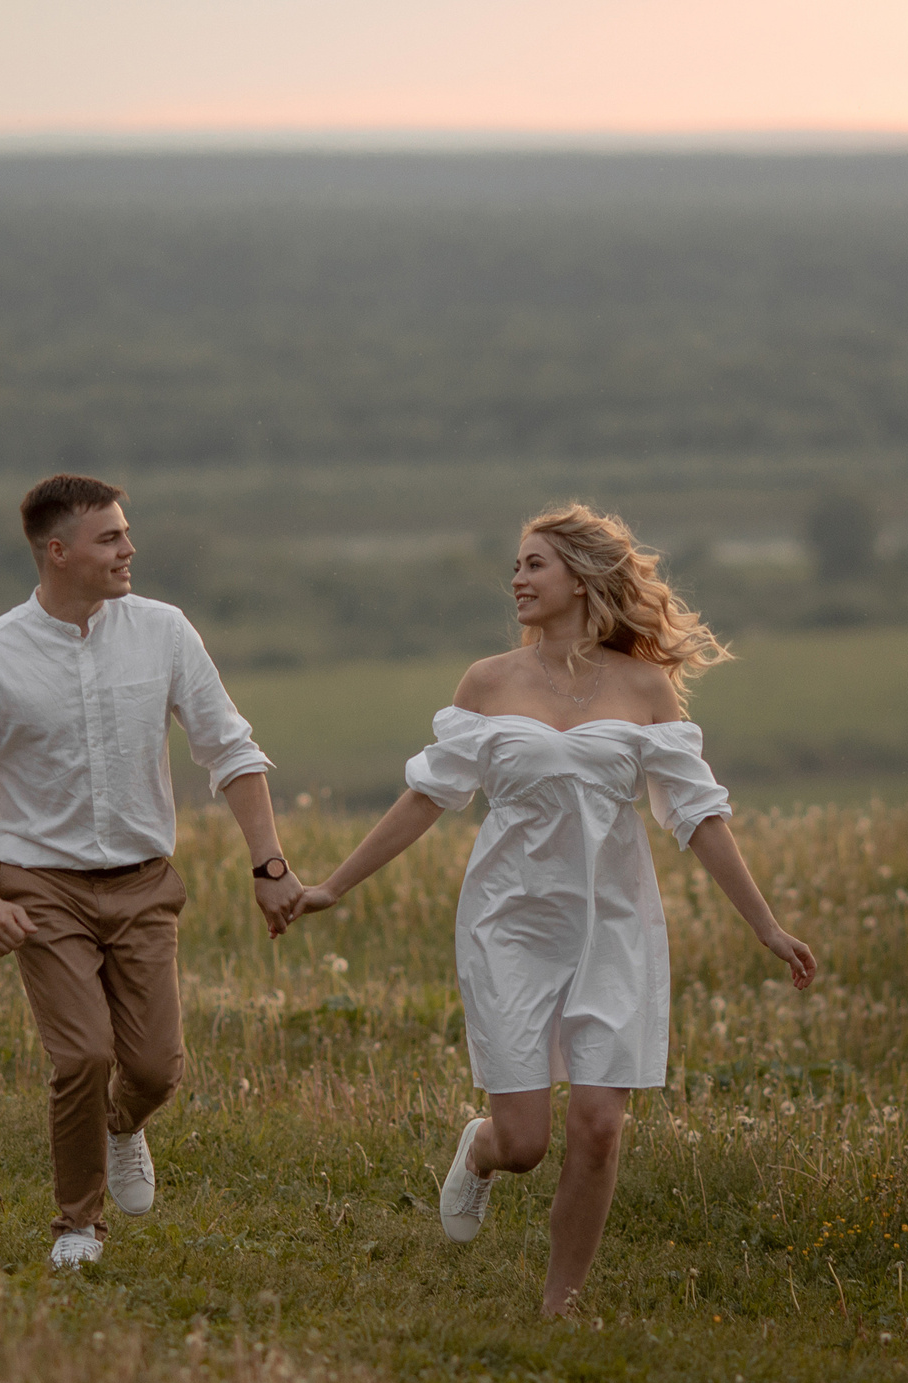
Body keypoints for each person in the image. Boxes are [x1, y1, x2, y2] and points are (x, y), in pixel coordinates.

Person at [297, 502, 816, 1316]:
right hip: (510, 924)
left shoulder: (646, 686)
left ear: (579, 576)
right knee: (529, 1142)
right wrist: (333, 883)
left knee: (600, 1124)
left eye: (533, 564)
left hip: (613, 926)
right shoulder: (489, 681)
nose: (517, 579)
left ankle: (560, 1302)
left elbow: (697, 815)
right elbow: (428, 797)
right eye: (515, 565)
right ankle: (482, 1148)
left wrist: (767, 924)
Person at [0, 474, 311, 1270]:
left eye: (126, 533)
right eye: (111, 538)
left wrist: (270, 864)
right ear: (58, 552)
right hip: (38, 884)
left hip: (143, 881)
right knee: (83, 1055)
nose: (130, 549)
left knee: (156, 1067)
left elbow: (231, 747)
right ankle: (77, 1227)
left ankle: (124, 1124)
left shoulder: (164, 632)